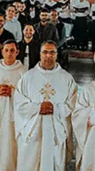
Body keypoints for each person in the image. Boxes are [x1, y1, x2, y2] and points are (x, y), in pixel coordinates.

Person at [14, 41, 77, 170]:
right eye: (45, 52)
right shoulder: (28, 77)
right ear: (40, 54)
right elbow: (19, 103)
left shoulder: (66, 78)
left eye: (52, 52)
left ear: (56, 55)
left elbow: (73, 104)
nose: (48, 56)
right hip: (32, 132)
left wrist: (56, 109)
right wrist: (38, 108)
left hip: (56, 131)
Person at [0, 40, 26, 171]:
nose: (9, 54)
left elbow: (28, 99)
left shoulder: (24, 73)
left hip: (13, 119)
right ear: (1, 52)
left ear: (17, 52)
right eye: (6, 50)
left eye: (12, 50)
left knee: (9, 148)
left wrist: (12, 93)